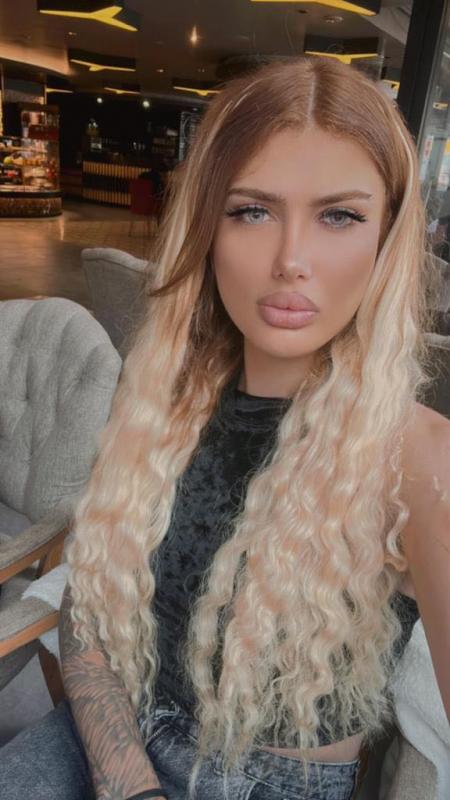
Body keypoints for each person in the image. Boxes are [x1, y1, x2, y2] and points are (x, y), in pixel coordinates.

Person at [1, 56, 449, 800]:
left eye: (339, 215)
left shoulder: (416, 458)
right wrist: (128, 782)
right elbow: (89, 596)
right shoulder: (161, 399)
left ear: (386, 237)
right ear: (207, 227)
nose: (291, 260)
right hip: (109, 735)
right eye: (252, 211)